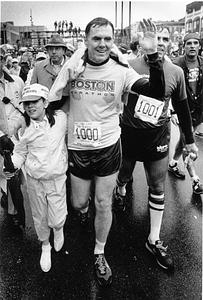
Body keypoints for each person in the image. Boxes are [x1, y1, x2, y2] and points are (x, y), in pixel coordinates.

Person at [15, 17, 165, 285]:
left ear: (113, 41)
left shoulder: (121, 69)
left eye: (108, 38)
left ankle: (99, 251)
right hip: (78, 148)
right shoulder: (74, 67)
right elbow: (54, 101)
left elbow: (154, 92)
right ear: (85, 41)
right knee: (78, 203)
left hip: (107, 146)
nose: (102, 44)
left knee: (103, 202)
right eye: (96, 38)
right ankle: (83, 213)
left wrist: (153, 55)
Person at [113, 26, 198, 270]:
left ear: (170, 43)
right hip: (129, 134)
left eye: (163, 39)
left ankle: (154, 239)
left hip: (158, 136)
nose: (159, 42)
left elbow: (182, 109)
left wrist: (190, 140)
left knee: (157, 185)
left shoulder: (176, 71)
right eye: (155, 38)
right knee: (124, 176)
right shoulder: (127, 65)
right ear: (143, 42)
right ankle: (119, 192)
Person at [8, 83, 68, 272]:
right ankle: (45, 246)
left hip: (57, 178)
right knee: (40, 216)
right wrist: (12, 165)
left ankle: (58, 231)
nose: (30, 106)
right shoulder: (24, 128)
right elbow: (20, 153)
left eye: (34, 102)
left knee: (57, 218)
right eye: (26, 103)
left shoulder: (61, 119)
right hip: (34, 180)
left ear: (45, 101)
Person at [168, 32, 203, 194]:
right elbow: (169, 90)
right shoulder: (176, 65)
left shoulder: (202, 64)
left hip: (198, 111)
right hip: (183, 111)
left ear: (199, 46)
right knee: (188, 143)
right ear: (184, 46)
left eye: (195, 43)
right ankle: (195, 179)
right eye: (189, 43)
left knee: (183, 141)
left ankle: (173, 163)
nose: (192, 46)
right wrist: (172, 110)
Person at [0, 47, 25, 228]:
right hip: (0, 136)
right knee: (2, 176)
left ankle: (13, 212)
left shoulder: (16, 81)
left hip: (15, 137)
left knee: (12, 174)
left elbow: (24, 106)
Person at [30, 34, 69, 108]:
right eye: (51, 49)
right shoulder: (38, 67)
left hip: (67, 110)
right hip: (45, 110)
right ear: (47, 51)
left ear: (64, 51)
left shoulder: (72, 66)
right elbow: (33, 90)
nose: (54, 52)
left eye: (57, 49)